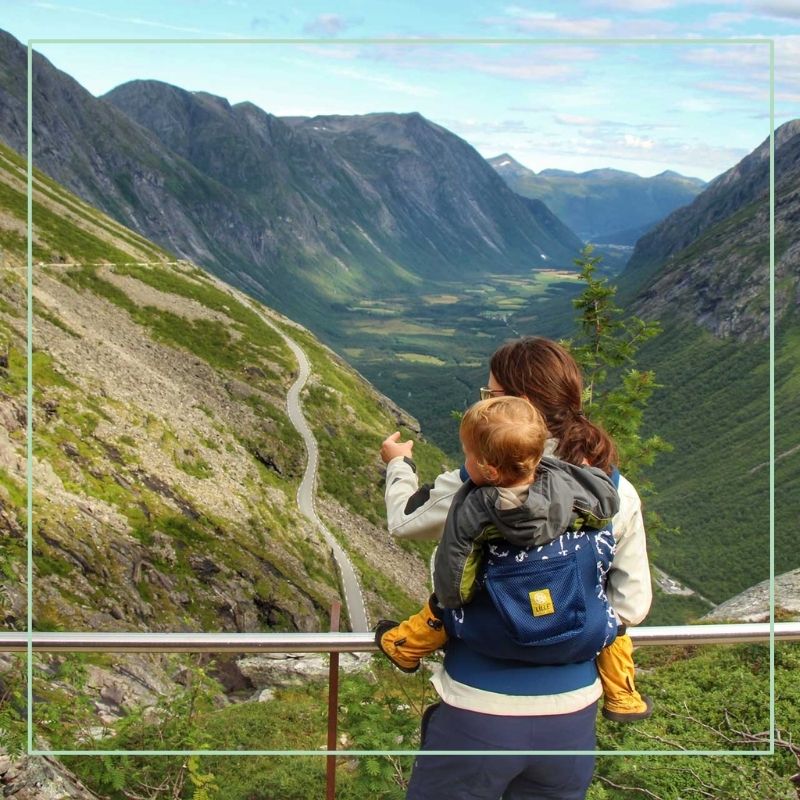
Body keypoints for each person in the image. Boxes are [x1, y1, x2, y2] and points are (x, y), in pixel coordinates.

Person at [380, 336, 652, 800]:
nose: (483, 402)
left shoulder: (476, 485)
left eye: (490, 395)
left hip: (477, 709)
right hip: (572, 716)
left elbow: (404, 520)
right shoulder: (612, 488)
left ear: (518, 403)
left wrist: (399, 465)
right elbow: (631, 603)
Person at [375, 395, 620, 677]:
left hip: (504, 628)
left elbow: (455, 584)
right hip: (574, 619)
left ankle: (404, 646)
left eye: (468, 455)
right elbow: (605, 508)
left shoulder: (473, 510)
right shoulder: (567, 483)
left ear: (489, 469)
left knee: (442, 604)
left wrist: (451, 601)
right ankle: (621, 690)